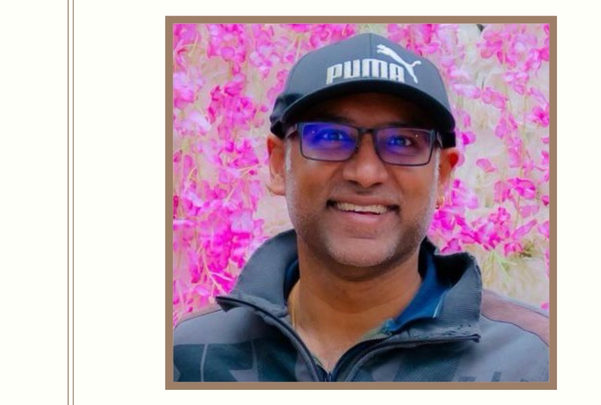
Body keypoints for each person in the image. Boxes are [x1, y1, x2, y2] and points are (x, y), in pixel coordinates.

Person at [173, 32, 549, 382]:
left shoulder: (537, 362)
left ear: (443, 176)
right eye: (330, 136)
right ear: (277, 165)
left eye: (403, 142)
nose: (366, 174)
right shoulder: (184, 358)